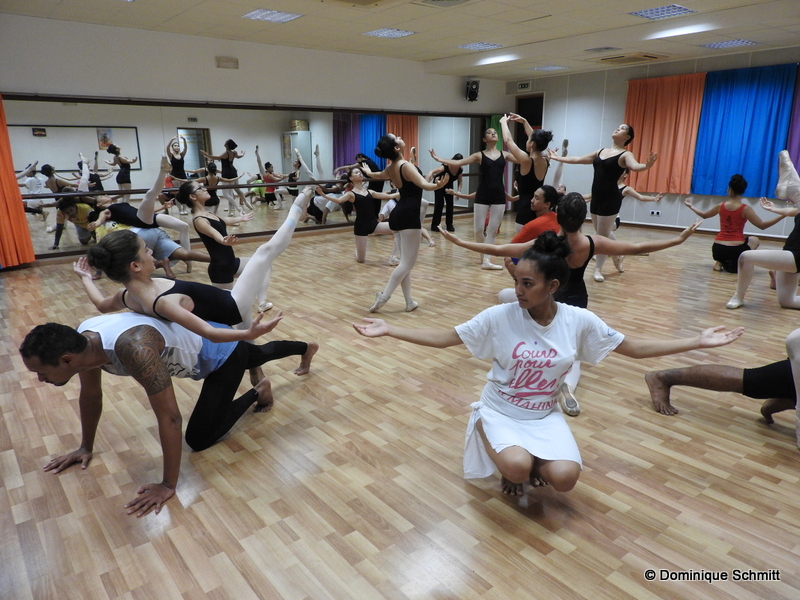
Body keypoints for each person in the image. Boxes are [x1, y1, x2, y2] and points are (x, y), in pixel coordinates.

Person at [354, 232, 743, 496]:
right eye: (517, 281)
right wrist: (391, 329)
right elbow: (445, 338)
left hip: (542, 415)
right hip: (501, 411)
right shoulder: (500, 315)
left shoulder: (578, 320)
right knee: (517, 469)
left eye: (528, 284)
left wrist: (696, 340)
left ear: (553, 286)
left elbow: (634, 347)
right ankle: (495, 442)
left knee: (566, 479)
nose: (518, 290)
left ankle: (523, 462)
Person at [20, 311, 315, 517]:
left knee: (199, 438)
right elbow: (91, 395)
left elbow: (171, 417)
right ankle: (305, 348)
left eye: (41, 373)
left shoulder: (134, 350)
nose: (40, 380)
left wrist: (167, 485)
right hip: (210, 340)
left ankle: (259, 389)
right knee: (257, 353)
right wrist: (85, 446)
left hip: (220, 356)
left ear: (66, 359)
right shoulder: (84, 342)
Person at [441, 192, 702, 416]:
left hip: (548, 299)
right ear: (583, 219)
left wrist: (460, 241)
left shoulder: (549, 243)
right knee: (572, 351)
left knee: (507, 297)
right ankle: (567, 385)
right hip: (577, 299)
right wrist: (678, 240)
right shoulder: (591, 243)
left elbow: (501, 250)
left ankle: (538, 355)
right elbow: (636, 247)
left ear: (558, 216)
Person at [549, 123, 657, 282]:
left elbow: (635, 166)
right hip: (597, 198)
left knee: (601, 236)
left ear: (627, 137)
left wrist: (646, 166)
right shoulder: (601, 151)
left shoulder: (625, 155)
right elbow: (579, 159)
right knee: (602, 232)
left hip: (610, 199)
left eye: (622, 129)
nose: (617, 129)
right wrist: (558, 158)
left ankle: (598, 269)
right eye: (618, 127)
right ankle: (618, 254)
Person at [362, 133, 449, 312]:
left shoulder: (392, 167)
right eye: (397, 138)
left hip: (398, 214)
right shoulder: (405, 166)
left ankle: (409, 302)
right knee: (407, 263)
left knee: (405, 262)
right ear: (396, 148)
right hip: (409, 216)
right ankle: (383, 296)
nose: (401, 136)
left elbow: (376, 175)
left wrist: (368, 172)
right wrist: (438, 186)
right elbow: (426, 185)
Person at [431, 128, 522, 270]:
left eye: (495, 132)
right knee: (478, 230)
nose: (493, 133)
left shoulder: (505, 154)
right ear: (484, 139)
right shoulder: (479, 155)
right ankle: (484, 257)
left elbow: (524, 159)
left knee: (492, 229)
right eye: (489, 132)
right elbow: (458, 162)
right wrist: (439, 159)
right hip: (482, 194)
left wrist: (542, 156)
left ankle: (486, 260)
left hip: (498, 194)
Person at [684, 174, 784, 273]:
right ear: (742, 191)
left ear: (729, 190)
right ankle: (741, 263)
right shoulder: (746, 209)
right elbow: (762, 226)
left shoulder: (721, 206)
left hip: (717, 249)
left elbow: (704, 215)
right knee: (754, 239)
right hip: (735, 251)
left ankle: (719, 262)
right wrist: (783, 214)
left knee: (736, 245)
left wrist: (691, 206)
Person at [314, 166, 398, 263]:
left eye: (360, 172)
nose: (360, 174)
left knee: (398, 228)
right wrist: (323, 195)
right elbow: (338, 200)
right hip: (361, 227)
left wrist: (404, 191)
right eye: (356, 172)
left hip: (374, 225)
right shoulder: (351, 194)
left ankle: (393, 256)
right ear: (351, 178)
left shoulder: (370, 192)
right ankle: (357, 251)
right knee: (361, 260)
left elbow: (390, 196)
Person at [500, 114, 553, 232]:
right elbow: (535, 138)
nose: (527, 140)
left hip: (525, 213)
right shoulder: (545, 160)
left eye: (528, 139)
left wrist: (503, 122)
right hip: (539, 213)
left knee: (523, 249)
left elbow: (508, 141)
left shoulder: (526, 160)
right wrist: (524, 121)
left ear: (532, 144)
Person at [201, 139, 250, 210]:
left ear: (227, 145)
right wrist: (243, 153)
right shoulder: (234, 152)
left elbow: (216, 158)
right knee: (236, 189)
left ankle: (237, 207)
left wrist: (206, 155)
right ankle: (245, 202)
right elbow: (239, 156)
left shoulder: (226, 153)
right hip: (233, 171)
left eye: (226, 142)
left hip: (227, 173)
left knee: (226, 194)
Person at [426, 154, 463, 233]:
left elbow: (460, 181)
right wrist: (430, 174)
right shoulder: (445, 166)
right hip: (439, 184)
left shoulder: (460, 169)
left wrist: (459, 191)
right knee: (439, 204)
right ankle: (435, 225)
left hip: (449, 185)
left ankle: (449, 224)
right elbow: (435, 171)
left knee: (450, 204)